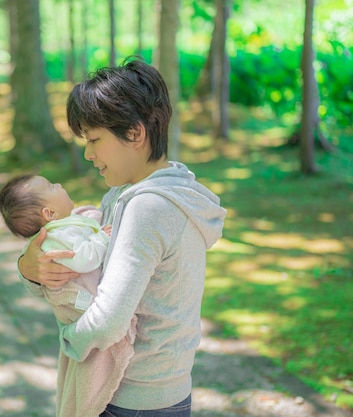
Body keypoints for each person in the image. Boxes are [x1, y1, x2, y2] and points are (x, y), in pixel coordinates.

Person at [17, 57, 227, 417]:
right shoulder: (124, 195)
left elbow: (108, 321)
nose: (88, 153)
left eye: (95, 139)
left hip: (136, 399)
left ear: (134, 133)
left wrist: (69, 340)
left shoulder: (150, 208)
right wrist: (29, 267)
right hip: (143, 395)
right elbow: (77, 256)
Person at [0, 174, 137, 417]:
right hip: (80, 302)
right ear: (49, 214)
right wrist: (102, 236)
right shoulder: (57, 238)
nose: (60, 184)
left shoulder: (65, 227)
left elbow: (85, 224)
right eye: (52, 186)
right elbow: (83, 258)